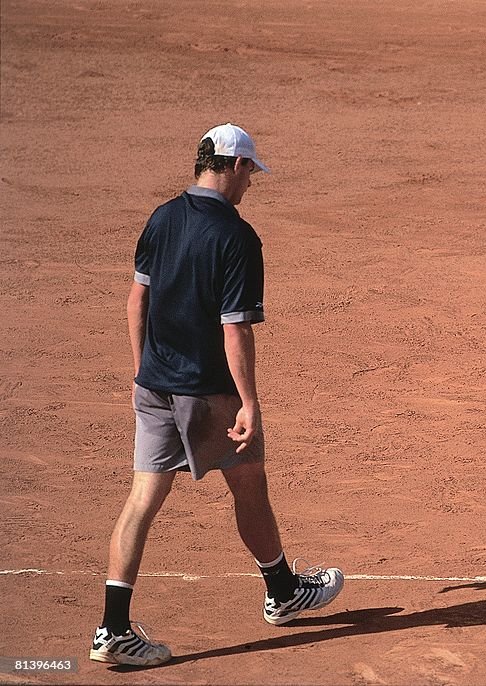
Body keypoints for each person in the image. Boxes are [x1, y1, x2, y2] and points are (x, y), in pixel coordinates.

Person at [89, 124, 343, 666]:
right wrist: (248, 401)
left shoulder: (162, 217)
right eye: (250, 170)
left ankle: (112, 629)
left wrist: (144, 371)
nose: (251, 182)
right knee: (250, 488)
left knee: (141, 501)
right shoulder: (237, 238)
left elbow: (138, 301)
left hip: (155, 384)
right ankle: (282, 591)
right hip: (210, 395)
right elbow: (236, 330)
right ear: (233, 166)